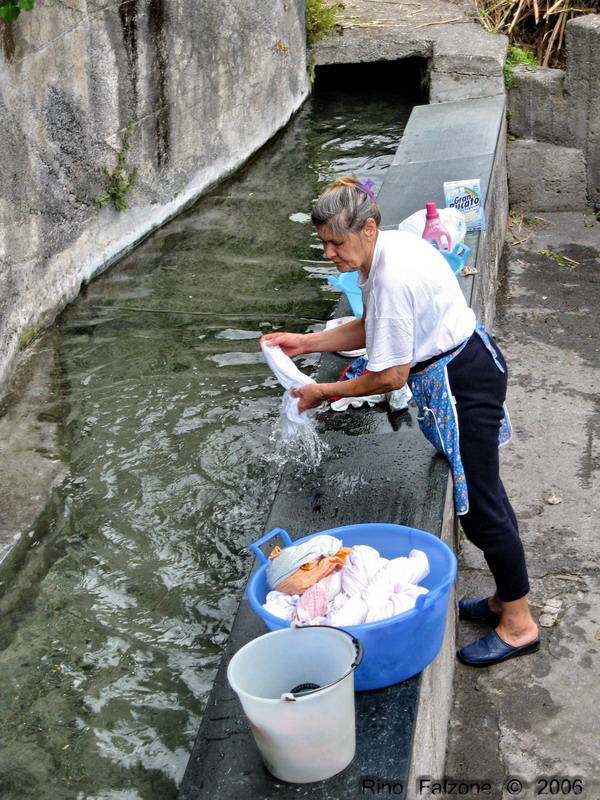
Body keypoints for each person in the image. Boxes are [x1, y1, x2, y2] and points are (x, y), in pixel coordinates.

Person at [260, 175, 539, 666]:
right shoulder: (392, 248)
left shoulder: (389, 273)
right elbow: (377, 325)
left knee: (479, 511)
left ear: (367, 228)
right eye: (322, 242)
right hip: (471, 362)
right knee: (488, 495)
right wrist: (305, 343)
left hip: (460, 385)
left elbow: (389, 376)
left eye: (335, 242)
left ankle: (519, 624)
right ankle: (502, 600)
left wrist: (324, 392)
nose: (329, 253)